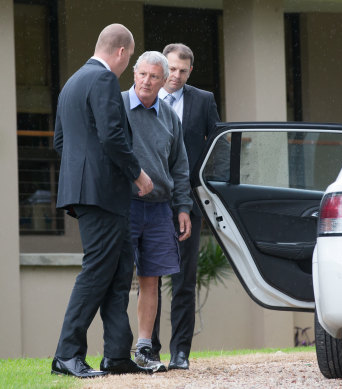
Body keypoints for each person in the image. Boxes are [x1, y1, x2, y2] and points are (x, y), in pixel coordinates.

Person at [51, 24, 154, 378]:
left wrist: (82, 178)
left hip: (89, 192)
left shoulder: (71, 83)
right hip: (104, 193)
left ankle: (116, 355)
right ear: (122, 52)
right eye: (129, 59)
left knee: (119, 271)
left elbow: (61, 142)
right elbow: (111, 135)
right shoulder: (104, 79)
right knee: (97, 271)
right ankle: (67, 354)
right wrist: (136, 174)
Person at [150, 43, 221, 371]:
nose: (175, 77)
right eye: (171, 70)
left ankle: (180, 352)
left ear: (190, 71)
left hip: (187, 204)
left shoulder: (203, 101)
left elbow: (216, 151)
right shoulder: (143, 96)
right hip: (148, 202)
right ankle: (149, 349)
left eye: (182, 71)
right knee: (150, 277)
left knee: (183, 280)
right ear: (162, 67)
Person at [121, 51, 193, 373]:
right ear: (133, 74)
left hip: (160, 208)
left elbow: (180, 168)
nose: (146, 81)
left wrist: (183, 208)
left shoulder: (169, 117)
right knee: (118, 278)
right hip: (124, 206)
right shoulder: (118, 106)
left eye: (153, 77)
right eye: (141, 75)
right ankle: (116, 350)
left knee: (151, 279)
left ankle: (144, 348)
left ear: (164, 82)